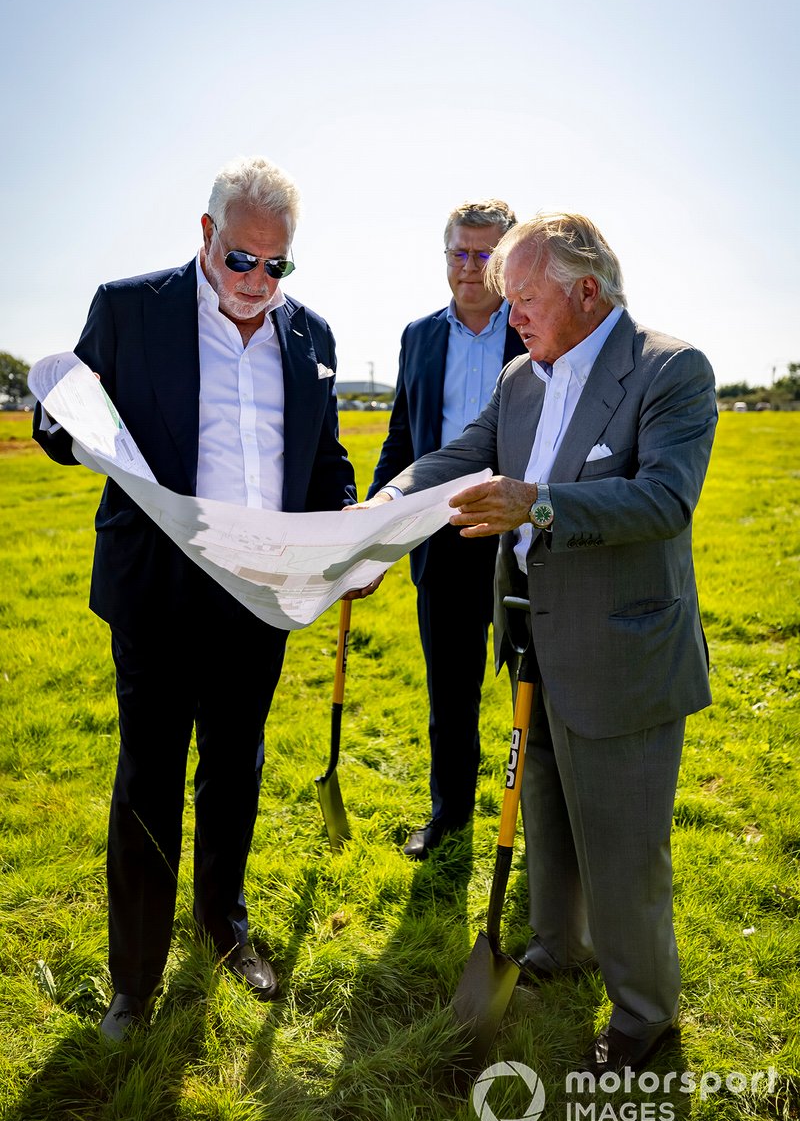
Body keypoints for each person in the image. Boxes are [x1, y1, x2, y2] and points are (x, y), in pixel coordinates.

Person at [34, 156, 379, 1042]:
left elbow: (323, 460)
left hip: (258, 592)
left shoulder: (313, 336)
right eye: (241, 259)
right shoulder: (129, 307)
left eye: (278, 265)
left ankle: (222, 923)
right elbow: (60, 412)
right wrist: (65, 425)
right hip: (157, 592)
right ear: (206, 235)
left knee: (237, 765)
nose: (258, 282)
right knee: (149, 778)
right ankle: (134, 981)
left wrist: (348, 534)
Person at [363, 212, 717, 1073]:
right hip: (533, 636)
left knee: (624, 845)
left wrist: (540, 504)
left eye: (523, 298)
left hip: (624, 650)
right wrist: (384, 508)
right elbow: (464, 454)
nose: (510, 317)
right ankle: (558, 948)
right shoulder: (523, 377)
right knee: (552, 814)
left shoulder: (670, 370)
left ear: (585, 290)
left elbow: (665, 499)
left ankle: (643, 1016)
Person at [368, 200, 524, 859]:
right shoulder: (419, 337)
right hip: (443, 534)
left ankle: (544, 831)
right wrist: (373, 523)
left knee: (536, 692)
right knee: (449, 696)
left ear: (508, 261)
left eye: (486, 253)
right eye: (459, 252)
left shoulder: (538, 326)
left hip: (525, 538)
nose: (470, 266)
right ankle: (450, 816)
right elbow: (404, 436)